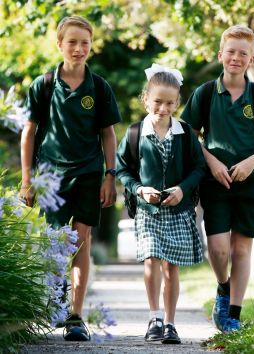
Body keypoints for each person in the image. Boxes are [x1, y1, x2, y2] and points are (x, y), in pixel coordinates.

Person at [20, 16, 121, 341]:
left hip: (89, 175)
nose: (79, 48)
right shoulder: (44, 84)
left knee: (81, 242)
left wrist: (110, 175)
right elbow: (29, 132)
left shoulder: (100, 87)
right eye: (72, 42)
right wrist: (27, 179)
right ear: (60, 44)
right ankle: (56, 302)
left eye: (85, 43)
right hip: (51, 178)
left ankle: (76, 317)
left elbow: (108, 134)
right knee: (55, 244)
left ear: (91, 46)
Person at [181, 25, 254, 333]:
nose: (236, 58)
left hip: (251, 182)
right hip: (216, 182)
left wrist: (252, 164)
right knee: (218, 249)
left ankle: (233, 315)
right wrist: (210, 162)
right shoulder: (206, 93)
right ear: (221, 55)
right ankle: (222, 288)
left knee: (241, 249)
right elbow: (187, 135)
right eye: (231, 52)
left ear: (250, 59)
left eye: (243, 53)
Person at [117, 63, 206, 344]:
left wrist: (183, 189)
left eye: (169, 103)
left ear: (177, 102)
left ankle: (170, 323)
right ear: (146, 99)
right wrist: (139, 189)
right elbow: (121, 169)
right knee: (151, 260)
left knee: (171, 267)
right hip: (148, 211)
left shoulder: (185, 133)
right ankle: (153, 318)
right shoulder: (135, 133)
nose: (163, 108)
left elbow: (199, 168)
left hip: (178, 210)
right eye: (157, 101)